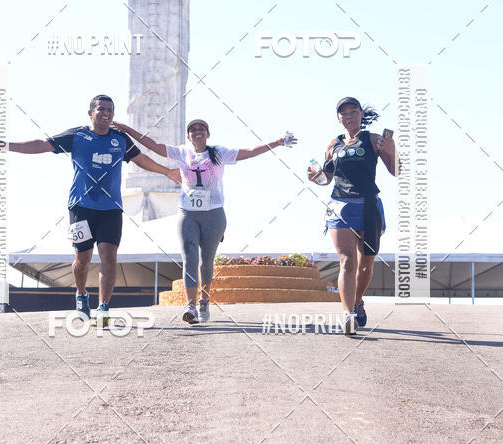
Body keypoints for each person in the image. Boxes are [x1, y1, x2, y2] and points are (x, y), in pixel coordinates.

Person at [0, 95, 180, 323]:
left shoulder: (120, 139)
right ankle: (81, 296)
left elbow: (141, 160)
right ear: (91, 112)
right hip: (81, 206)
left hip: (111, 208)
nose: (107, 113)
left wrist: (166, 172)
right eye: (101, 109)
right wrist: (5, 145)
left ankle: (103, 308)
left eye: (110, 110)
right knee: (83, 259)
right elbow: (41, 145)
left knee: (109, 256)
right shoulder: (77, 135)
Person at [113, 118, 297, 324]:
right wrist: (126, 129)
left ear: (208, 134)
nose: (197, 132)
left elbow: (249, 151)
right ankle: (190, 306)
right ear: (188, 135)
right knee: (189, 257)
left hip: (214, 214)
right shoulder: (182, 152)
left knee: (206, 262)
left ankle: (204, 300)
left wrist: (278, 142)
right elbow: (153, 146)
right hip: (187, 213)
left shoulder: (218, 153)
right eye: (193, 129)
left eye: (201, 129)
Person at [307, 97, 398, 336]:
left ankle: (357, 301)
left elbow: (396, 170)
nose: (349, 116)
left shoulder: (373, 139)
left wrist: (391, 150)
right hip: (340, 205)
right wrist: (315, 176)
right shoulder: (332, 145)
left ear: (360, 114)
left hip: (368, 204)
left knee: (365, 266)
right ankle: (347, 315)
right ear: (339, 118)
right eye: (344, 113)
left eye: (353, 112)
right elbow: (326, 178)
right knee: (347, 261)